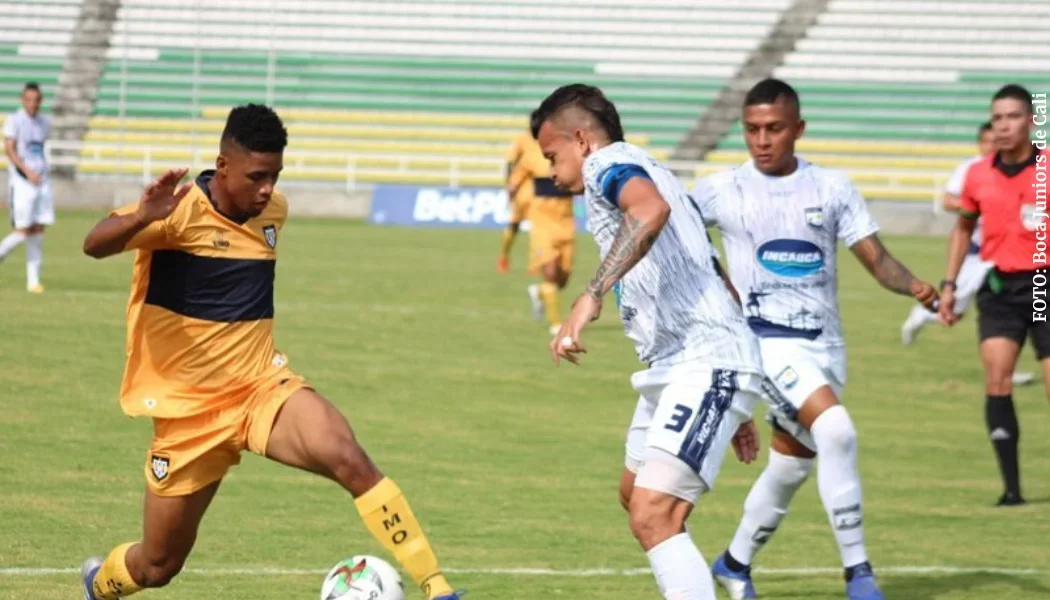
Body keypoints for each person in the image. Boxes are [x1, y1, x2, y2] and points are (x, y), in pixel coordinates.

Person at [78, 104, 463, 600]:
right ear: (222, 167)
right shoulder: (176, 214)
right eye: (257, 176)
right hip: (188, 414)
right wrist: (141, 215)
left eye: (275, 176)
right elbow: (93, 245)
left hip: (262, 389)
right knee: (157, 565)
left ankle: (437, 587)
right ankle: (99, 586)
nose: (267, 189)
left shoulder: (273, 212)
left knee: (348, 456)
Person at [695, 79, 938, 600]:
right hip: (765, 344)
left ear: (798, 129)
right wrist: (720, 284)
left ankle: (734, 564)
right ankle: (859, 574)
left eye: (774, 129)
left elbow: (875, 258)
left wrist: (914, 285)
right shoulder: (722, 189)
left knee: (789, 468)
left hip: (825, 346)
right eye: (752, 129)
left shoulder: (831, 188)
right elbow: (678, 238)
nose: (761, 140)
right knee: (838, 431)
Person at [535, 83, 768, 600]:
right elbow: (709, 269)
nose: (551, 170)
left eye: (552, 155)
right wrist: (735, 403)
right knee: (635, 496)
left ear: (581, 139)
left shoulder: (608, 165)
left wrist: (590, 295)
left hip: (703, 360)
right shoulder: (652, 167)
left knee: (652, 513)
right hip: (688, 363)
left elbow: (648, 212)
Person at [940, 84, 1047, 507]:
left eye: (1013, 117)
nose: (1004, 126)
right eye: (998, 118)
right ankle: (1012, 490)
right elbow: (963, 228)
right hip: (1000, 287)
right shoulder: (977, 174)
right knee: (997, 379)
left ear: (1031, 121)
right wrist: (949, 286)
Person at [509, 115, 577, 334]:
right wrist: (512, 195)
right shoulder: (531, 157)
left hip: (566, 224)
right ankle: (556, 323)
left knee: (562, 279)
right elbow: (513, 182)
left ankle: (538, 293)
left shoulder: (572, 155)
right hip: (542, 223)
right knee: (549, 272)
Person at [1, 82, 52, 292]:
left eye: (37, 100)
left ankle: (33, 281)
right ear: (23, 100)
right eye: (29, 99)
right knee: (22, 231)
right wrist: (27, 172)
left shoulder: (44, 123)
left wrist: (41, 173)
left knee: (38, 230)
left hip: (42, 182)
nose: (33, 104)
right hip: (22, 183)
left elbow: (39, 150)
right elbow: (10, 150)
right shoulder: (14, 120)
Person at [496, 130, 534, 273]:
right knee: (515, 225)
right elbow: (510, 161)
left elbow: (510, 162)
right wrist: (510, 183)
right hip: (525, 188)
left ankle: (533, 262)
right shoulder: (524, 139)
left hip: (536, 190)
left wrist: (509, 183)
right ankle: (504, 256)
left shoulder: (525, 139)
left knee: (531, 227)